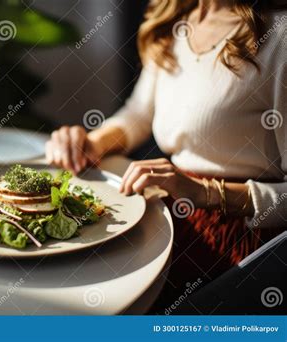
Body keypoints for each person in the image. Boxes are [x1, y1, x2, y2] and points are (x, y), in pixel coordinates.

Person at [46, 0, 286, 310]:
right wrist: (92, 143)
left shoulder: (278, 35)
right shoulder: (178, 17)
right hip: (173, 213)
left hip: (241, 243)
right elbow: (139, 114)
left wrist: (206, 192)